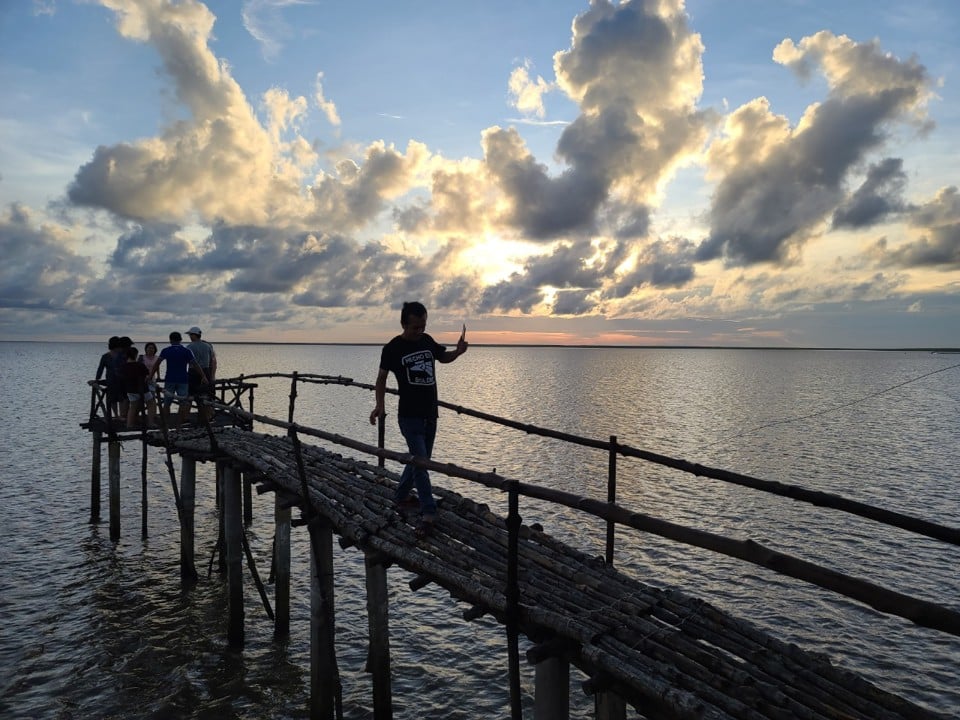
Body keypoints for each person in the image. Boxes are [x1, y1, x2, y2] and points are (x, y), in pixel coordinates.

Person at [368, 302, 468, 537]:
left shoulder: (427, 340)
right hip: (409, 416)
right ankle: (428, 511)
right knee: (422, 463)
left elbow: (442, 357)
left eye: (423, 326)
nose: (419, 331)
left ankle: (401, 496)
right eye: (415, 327)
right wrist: (379, 406)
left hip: (430, 414)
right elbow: (381, 379)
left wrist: (459, 352)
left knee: (419, 460)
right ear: (404, 324)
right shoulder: (392, 348)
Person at [150, 331, 208, 426]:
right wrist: (203, 376)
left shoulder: (166, 350)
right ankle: (179, 426)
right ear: (180, 340)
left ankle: (165, 425)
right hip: (183, 380)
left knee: (167, 403)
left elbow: (157, 364)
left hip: (170, 379)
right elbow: (195, 364)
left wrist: (150, 375)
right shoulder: (186, 351)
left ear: (170, 340)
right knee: (183, 403)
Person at [118, 346, 157, 428]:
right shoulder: (140, 365)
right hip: (143, 389)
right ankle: (150, 423)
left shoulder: (123, 366)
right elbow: (147, 376)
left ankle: (129, 424)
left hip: (130, 390)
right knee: (151, 403)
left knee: (132, 407)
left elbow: (121, 378)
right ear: (136, 355)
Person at [185, 326, 217, 421]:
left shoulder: (189, 347)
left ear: (195, 335)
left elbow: (187, 361)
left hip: (193, 372)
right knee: (205, 395)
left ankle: (186, 418)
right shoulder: (208, 346)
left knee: (190, 395)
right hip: (206, 371)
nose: (190, 337)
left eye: (190, 335)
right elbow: (212, 361)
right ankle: (206, 417)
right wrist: (211, 376)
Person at [89, 336, 121, 420]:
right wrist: (97, 380)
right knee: (112, 399)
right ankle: (116, 415)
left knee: (122, 398)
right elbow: (100, 369)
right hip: (111, 380)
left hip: (121, 380)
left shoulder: (122, 355)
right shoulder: (105, 356)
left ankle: (121, 415)